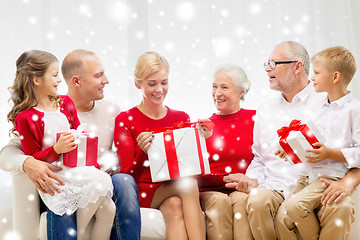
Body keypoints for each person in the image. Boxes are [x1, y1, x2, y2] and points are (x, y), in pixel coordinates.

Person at [0, 49, 141, 240]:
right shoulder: (33, 115)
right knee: (61, 198)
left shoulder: (107, 109)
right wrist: (28, 163)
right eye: (99, 75)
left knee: (121, 185)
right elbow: (11, 152)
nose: (106, 80)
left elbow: (126, 147)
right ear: (76, 81)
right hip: (61, 179)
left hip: (95, 176)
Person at [228, 41, 355, 240]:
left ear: (297, 66)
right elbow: (260, 158)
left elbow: (348, 146)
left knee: (342, 207)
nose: (267, 69)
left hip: (317, 181)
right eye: (266, 63)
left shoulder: (326, 100)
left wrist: (348, 181)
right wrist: (253, 179)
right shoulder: (265, 109)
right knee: (257, 200)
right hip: (274, 186)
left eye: (274, 63)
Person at [114, 51, 206, 240]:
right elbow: (126, 177)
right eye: (152, 84)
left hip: (170, 188)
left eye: (164, 82)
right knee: (188, 186)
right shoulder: (125, 120)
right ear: (137, 84)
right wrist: (143, 153)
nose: (159, 89)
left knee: (174, 206)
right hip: (142, 190)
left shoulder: (181, 118)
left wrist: (201, 139)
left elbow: (189, 166)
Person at [275, 46, 359, 240]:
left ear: (335, 77)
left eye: (317, 73)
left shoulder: (354, 110)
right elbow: (306, 136)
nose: (312, 77)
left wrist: (331, 153)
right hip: (307, 176)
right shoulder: (316, 105)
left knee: (296, 207)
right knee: (281, 220)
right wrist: (289, 148)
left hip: (330, 177)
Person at [197, 64, 255, 240]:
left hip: (241, 189)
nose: (217, 93)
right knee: (220, 202)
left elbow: (267, 160)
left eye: (224, 87)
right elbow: (192, 173)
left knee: (241, 200)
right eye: (214, 86)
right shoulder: (201, 127)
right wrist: (222, 178)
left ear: (241, 92)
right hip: (210, 190)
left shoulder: (256, 120)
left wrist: (252, 181)